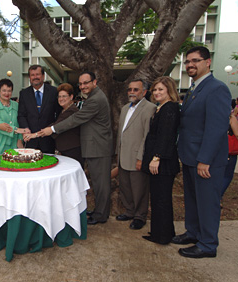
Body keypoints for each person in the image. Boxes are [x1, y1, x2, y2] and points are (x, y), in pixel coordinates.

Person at [175, 46, 231, 258]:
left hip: (206, 161)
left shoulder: (217, 88)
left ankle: (207, 245)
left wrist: (205, 159)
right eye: (188, 61)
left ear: (208, 62)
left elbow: (216, 128)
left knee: (207, 203)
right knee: (192, 199)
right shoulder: (194, 88)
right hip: (190, 156)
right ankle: (193, 233)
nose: (190, 65)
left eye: (195, 61)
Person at [39, 71, 113, 225]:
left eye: (86, 83)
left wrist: (52, 130)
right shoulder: (92, 97)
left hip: (98, 147)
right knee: (98, 183)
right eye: (81, 84)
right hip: (94, 146)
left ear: (95, 82)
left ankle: (101, 215)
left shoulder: (95, 100)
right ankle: (99, 211)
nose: (83, 86)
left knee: (101, 184)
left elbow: (76, 119)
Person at [141, 76, 180, 245]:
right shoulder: (161, 108)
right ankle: (159, 232)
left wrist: (156, 157)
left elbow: (166, 136)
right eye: (155, 90)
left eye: (160, 90)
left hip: (163, 162)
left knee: (162, 199)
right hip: (157, 160)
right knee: (156, 198)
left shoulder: (170, 108)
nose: (156, 93)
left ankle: (163, 236)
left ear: (169, 90)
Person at [115, 79, 156, 230]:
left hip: (137, 156)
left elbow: (147, 136)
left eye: (135, 89)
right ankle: (130, 211)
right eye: (129, 89)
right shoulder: (125, 108)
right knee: (125, 186)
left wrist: (141, 157)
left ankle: (140, 216)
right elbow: (122, 133)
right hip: (123, 155)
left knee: (139, 189)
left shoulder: (150, 108)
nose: (131, 92)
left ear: (144, 92)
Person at [27, 83, 84, 167]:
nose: (61, 99)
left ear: (71, 97)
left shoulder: (71, 111)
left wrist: (33, 135)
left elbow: (54, 126)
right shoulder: (64, 110)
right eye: (59, 96)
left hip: (72, 151)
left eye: (64, 96)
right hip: (66, 150)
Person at [18, 65, 61, 153]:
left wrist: (53, 130)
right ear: (29, 77)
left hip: (48, 139)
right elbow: (21, 115)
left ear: (43, 76)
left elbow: (59, 114)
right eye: (32, 75)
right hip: (30, 140)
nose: (35, 77)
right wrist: (25, 129)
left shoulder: (54, 92)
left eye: (37, 74)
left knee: (48, 165)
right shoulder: (24, 93)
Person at [0, 79, 26, 157]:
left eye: (9, 91)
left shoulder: (16, 105)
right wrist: (17, 130)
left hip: (13, 143)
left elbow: (20, 122)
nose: (7, 93)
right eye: (4, 90)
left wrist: (20, 139)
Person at [222, 113, 238, 197]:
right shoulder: (230, 117)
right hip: (228, 150)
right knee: (227, 175)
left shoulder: (213, 114)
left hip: (216, 149)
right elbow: (237, 134)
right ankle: (217, 196)